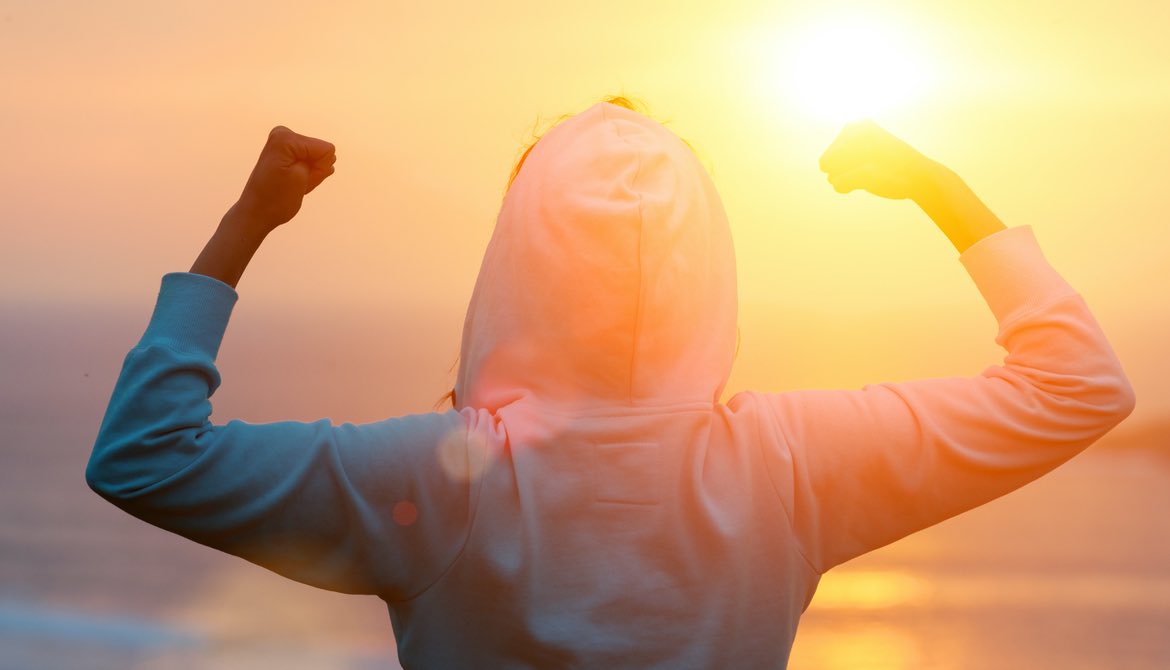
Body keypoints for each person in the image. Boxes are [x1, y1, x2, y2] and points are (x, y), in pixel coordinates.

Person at [87, 97, 1135, 669]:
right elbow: (1082, 385)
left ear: (515, 261)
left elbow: (144, 454)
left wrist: (246, 225)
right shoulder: (791, 466)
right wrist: (940, 192)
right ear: (709, 266)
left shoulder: (438, 478)